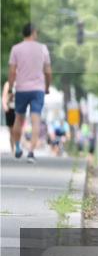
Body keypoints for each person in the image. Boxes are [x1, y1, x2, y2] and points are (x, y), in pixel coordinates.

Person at [8, 24, 52, 163]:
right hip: (38, 90)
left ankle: (18, 147)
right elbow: (48, 71)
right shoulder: (43, 48)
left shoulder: (16, 49)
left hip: (21, 89)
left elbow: (12, 72)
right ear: (33, 33)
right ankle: (31, 153)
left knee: (18, 119)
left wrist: (10, 89)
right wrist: (47, 87)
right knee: (35, 120)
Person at [2, 80, 15, 152]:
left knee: (18, 130)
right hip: (10, 109)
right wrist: (5, 106)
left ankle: (17, 146)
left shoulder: (22, 82)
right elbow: (4, 97)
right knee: (12, 131)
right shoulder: (8, 84)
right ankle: (13, 149)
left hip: (19, 109)